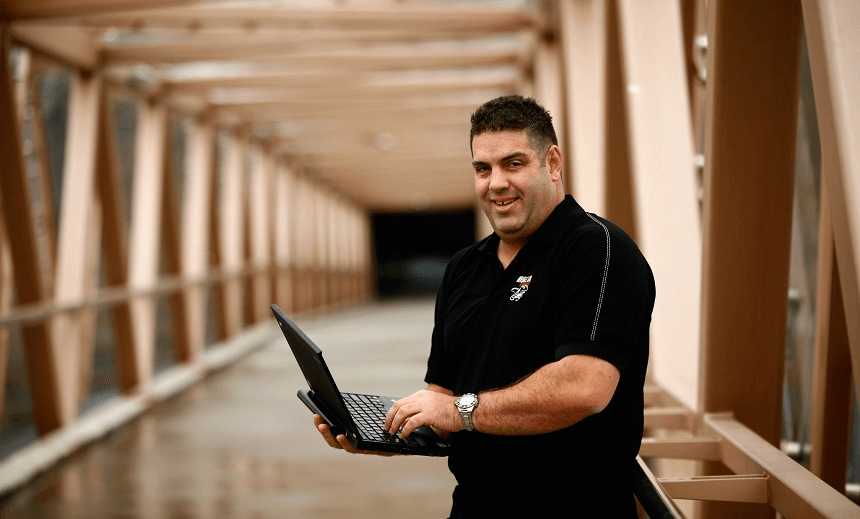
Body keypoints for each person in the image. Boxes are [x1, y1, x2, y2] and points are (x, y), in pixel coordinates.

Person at [314, 95, 655, 518]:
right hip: (475, 505)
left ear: (552, 162)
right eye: (483, 168)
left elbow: (583, 388)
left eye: (514, 164)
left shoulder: (596, 249)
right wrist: (388, 433)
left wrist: (460, 410)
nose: (496, 183)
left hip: (574, 507)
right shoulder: (464, 267)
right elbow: (444, 403)